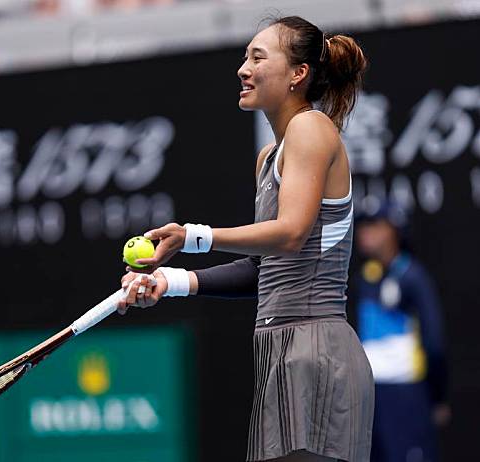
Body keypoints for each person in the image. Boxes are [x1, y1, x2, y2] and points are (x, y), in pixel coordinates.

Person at [118, 15, 373, 462]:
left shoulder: (311, 128)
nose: (243, 68)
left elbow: (291, 234)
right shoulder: (268, 157)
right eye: (245, 56)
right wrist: (172, 281)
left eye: (258, 57)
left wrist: (194, 235)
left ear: (298, 74)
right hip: (279, 353)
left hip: (316, 350)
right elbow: (263, 270)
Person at [354, 198, 450, 462]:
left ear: (394, 229)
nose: (365, 233)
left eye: (375, 225)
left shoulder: (413, 276)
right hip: (370, 396)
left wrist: (436, 394)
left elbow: (434, 342)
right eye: (362, 226)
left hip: (406, 393)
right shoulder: (365, 277)